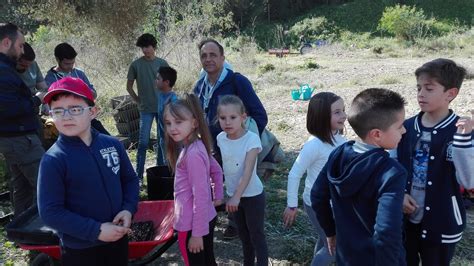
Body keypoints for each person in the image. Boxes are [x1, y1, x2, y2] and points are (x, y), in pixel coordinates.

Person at [37, 77, 139, 266]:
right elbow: (51, 212)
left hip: (118, 238)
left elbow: (130, 180)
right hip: (81, 249)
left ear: (93, 112)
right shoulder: (54, 160)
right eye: (58, 111)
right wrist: (97, 230)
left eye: (75, 109)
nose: (66, 116)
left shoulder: (113, 145)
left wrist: (128, 209)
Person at [312, 88, 408, 266]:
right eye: (399, 126)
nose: (404, 130)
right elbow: (386, 232)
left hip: (346, 256)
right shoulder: (391, 172)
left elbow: (317, 196)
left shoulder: (338, 154)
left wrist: (330, 231)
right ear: (377, 134)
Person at [396, 58, 473, 266]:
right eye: (418, 88)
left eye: (429, 88)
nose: (421, 94)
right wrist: (400, 193)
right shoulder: (406, 127)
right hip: (405, 220)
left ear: (451, 94)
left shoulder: (462, 132)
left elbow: (468, 180)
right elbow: (393, 164)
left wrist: (464, 142)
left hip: (442, 222)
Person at [194, 38, 267, 239]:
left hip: (235, 147)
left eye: (213, 55)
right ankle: (225, 216)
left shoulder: (237, 81)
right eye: (204, 55)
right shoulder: (199, 85)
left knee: (238, 180)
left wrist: (243, 141)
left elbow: (260, 115)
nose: (208, 59)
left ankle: (237, 223)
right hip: (213, 147)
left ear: (222, 58)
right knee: (221, 182)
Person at [283, 92, 346, 266]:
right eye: (338, 112)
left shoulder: (340, 140)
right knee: (333, 247)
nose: (344, 116)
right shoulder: (314, 145)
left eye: (343, 110)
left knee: (325, 238)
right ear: (321, 116)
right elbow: (295, 174)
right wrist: (291, 204)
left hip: (333, 204)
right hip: (316, 204)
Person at [163, 93, 224, 266]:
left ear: (194, 123)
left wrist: (197, 234)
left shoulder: (192, 154)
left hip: (193, 224)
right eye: (168, 123)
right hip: (206, 217)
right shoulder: (198, 145)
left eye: (179, 122)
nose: (173, 128)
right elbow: (217, 171)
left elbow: (201, 195)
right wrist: (218, 196)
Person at [216, 95, 268, 266]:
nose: (227, 122)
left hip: (252, 195)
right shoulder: (220, 138)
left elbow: (248, 171)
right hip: (233, 196)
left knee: (256, 235)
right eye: (223, 118)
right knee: (244, 236)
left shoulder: (251, 139)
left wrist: (236, 196)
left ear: (243, 117)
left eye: (233, 117)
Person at [0, 22, 45, 215]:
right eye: (20, 46)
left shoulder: (6, 69)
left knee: (21, 187)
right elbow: (8, 108)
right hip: (20, 138)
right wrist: (35, 101)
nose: (21, 52)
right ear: (6, 42)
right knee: (46, 182)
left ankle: (22, 232)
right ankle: (41, 234)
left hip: (14, 138)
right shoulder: (2, 71)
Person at [127, 33, 169, 181]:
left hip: (162, 108)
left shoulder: (162, 63)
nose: (145, 50)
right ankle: (138, 176)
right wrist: (137, 100)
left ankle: (160, 172)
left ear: (154, 47)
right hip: (145, 109)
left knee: (163, 141)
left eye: (148, 46)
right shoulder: (136, 65)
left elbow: (168, 85)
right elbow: (129, 86)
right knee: (143, 142)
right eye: (143, 47)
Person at [45, 42, 110, 135]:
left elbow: (93, 94)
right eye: (67, 64)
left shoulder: (79, 73)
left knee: (106, 138)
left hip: (86, 118)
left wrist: (85, 91)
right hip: (67, 122)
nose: (70, 67)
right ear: (57, 59)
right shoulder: (50, 78)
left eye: (72, 63)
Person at [155, 66, 178, 166]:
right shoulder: (160, 95)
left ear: (167, 82)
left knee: (173, 162)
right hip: (163, 137)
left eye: (158, 78)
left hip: (172, 139)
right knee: (166, 162)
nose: (155, 81)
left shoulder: (173, 99)